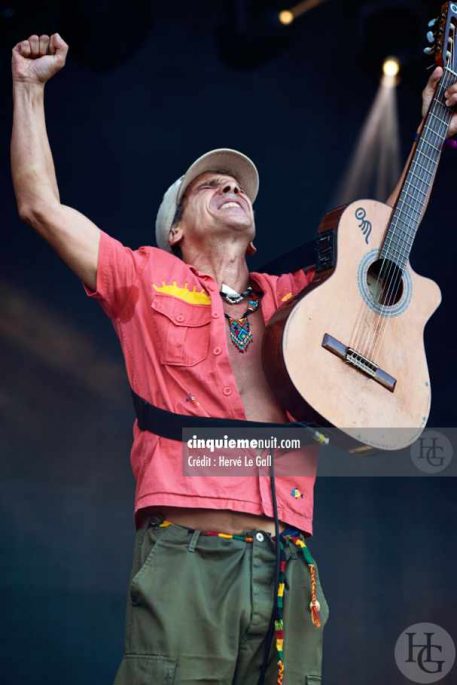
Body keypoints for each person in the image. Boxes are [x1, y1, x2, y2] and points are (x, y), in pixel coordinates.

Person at [11, 32, 457, 685]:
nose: (229, 185)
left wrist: (431, 122)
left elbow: (391, 233)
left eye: (238, 184)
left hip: (289, 562)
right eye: (208, 183)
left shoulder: (296, 301)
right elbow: (39, 206)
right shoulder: (142, 277)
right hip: (189, 558)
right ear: (174, 227)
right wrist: (29, 86)